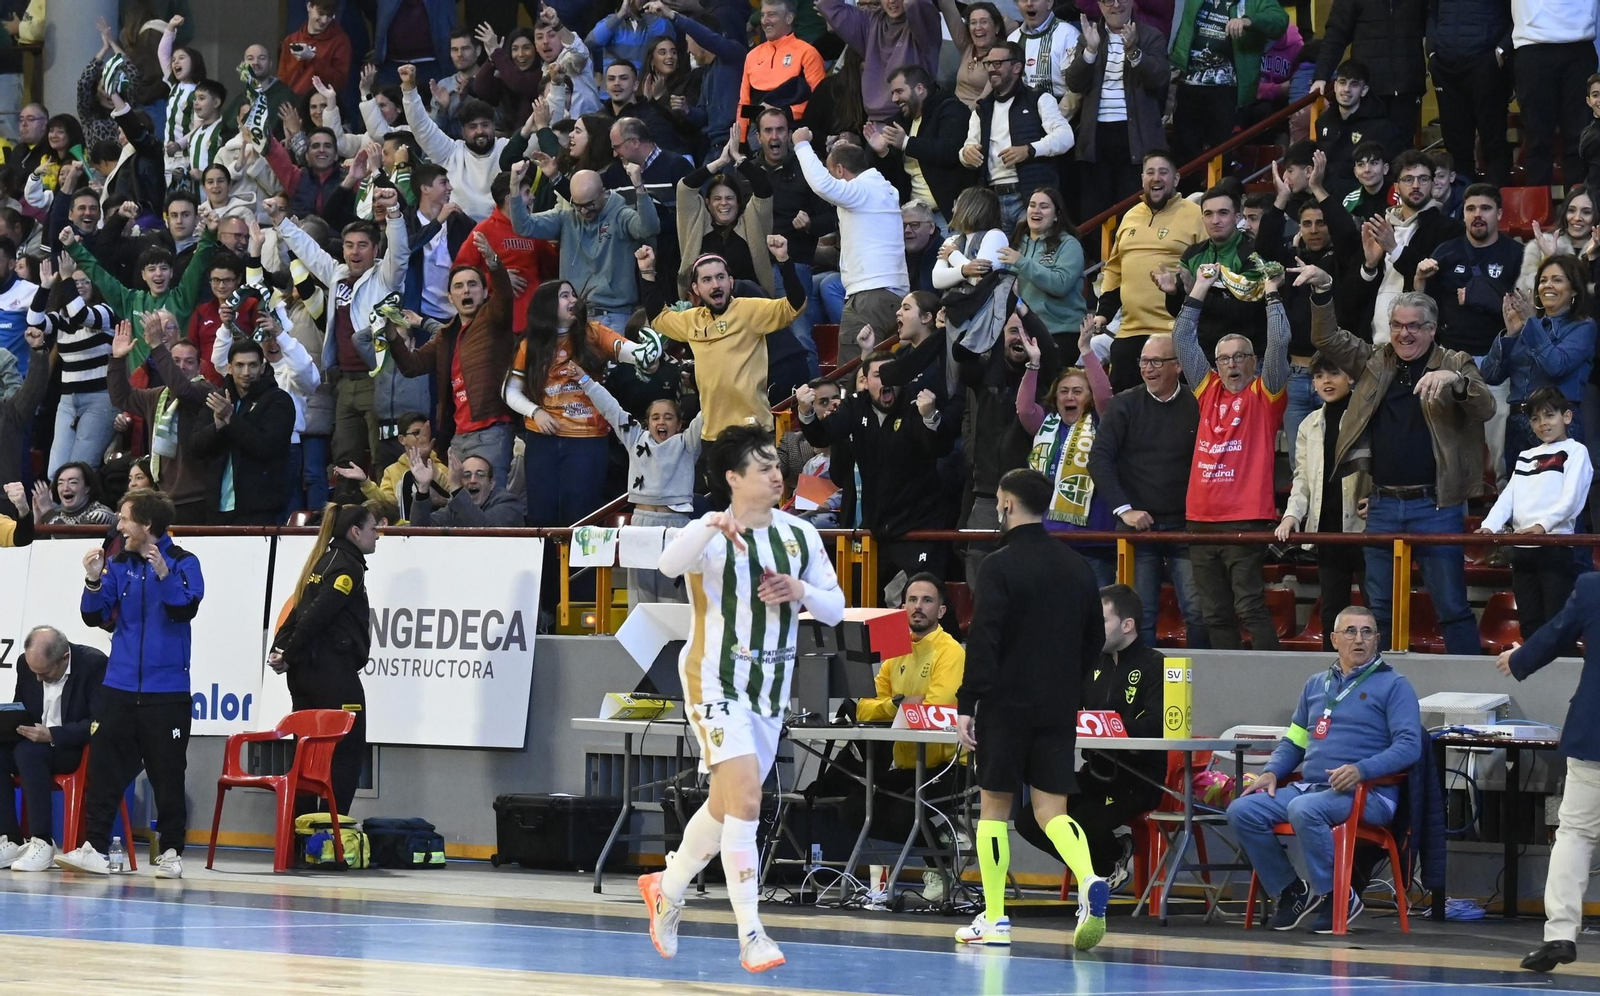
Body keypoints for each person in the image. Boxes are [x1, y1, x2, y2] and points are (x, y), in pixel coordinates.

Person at [637, 424, 845, 974]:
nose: (777, 474)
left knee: (727, 804)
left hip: (771, 690)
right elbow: (665, 567)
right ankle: (751, 933)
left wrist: (799, 591)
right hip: (715, 680)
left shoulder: (800, 535)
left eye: (777, 465)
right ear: (733, 478)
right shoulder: (708, 533)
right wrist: (707, 522)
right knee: (748, 800)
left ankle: (668, 886)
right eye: (763, 467)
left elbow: (836, 609)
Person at [953, 467, 1109, 949]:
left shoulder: (998, 565)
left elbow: (985, 638)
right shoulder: (1077, 566)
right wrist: (1069, 687)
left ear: (1005, 504)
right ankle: (1087, 878)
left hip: (1005, 703)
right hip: (1058, 705)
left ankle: (996, 919)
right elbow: (1095, 639)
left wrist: (968, 701)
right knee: (1051, 809)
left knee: (995, 809)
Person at [1308, 275, 1493, 655]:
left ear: (1431, 329)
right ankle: (1379, 687)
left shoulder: (1455, 361)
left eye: (1412, 326)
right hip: (1383, 505)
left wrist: (1454, 380)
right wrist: (1324, 291)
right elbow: (1326, 339)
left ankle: (1475, 689)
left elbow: (1485, 405)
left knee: (1453, 608)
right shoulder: (1375, 361)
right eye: (1396, 325)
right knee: (1380, 610)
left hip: (1436, 506)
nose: (1403, 334)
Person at [1226, 604, 1422, 932]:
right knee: (1242, 810)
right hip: (1314, 788)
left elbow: (1409, 747)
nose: (1359, 639)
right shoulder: (1316, 684)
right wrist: (1273, 771)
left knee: (1305, 808)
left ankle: (1338, 895)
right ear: (1334, 639)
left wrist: (1361, 770)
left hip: (1368, 793)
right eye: (1350, 631)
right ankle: (1291, 890)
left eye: (1367, 632)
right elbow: (1295, 741)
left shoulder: (1395, 685)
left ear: (1377, 640)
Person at [59, 489, 203, 879]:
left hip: (167, 691)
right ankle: (96, 848)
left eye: (124, 519)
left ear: (146, 525)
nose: (118, 525)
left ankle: (171, 851)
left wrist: (164, 576)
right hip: (118, 686)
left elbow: (184, 608)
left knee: (167, 773)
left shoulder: (184, 562)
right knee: (104, 770)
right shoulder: (118, 563)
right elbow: (95, 616)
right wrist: (92, 581)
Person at [1014, 584, 1163, 888]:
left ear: (1128, 625)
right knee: (1030, 821)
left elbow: (1158, 726)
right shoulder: (1090, 665)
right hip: (1095, 774)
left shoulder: (1156, 665)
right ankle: (1106, 864)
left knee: (1080, 825)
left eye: (1101, 621)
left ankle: (1103, 865)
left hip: (1139, 780)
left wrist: (1111, 726)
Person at [1173, 263, 1289, 650]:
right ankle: (1228, 687)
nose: (1232, 364)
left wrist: (1272, 293)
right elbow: (1182, 339)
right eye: (1224, 358)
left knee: (1250, 605)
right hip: (1199, 518)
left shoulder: (1265, 392)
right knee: (1214, 613)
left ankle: (1272, 682)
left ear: (1253, 362)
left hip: (1246, 518)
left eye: (1240, 357)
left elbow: (1280, 344)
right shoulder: (1207, 390)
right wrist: (1201, 287)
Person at [1497, 571, 1600, 973]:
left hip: (1594, 737)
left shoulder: (1593, 587)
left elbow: (1556, 633)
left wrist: (1518, 658)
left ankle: (1560, 934)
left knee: (1575, 834)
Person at [269, 188, 409, 469]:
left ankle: (383, 512)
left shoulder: (387, 277)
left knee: (384, 457)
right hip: (344, 382)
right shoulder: (337, 274)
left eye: (362, 245)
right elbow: (310, 252)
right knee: (344, 459)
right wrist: (281, 222)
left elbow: (401, 251)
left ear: (376, 250)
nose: (354, 252)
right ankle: (346, 513)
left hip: (378, 380)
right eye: (348, 245)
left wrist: (393, 213)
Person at [504, 276, 660, 524]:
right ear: (546, 305)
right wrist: (536, 412)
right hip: (542, 439)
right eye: (565, 296)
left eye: (574, 295)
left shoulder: (593, 332)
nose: (573, 300)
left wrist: (645, 356)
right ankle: (548, 566)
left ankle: (580, 566)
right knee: (542, 515)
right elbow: (510, 392)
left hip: (588, 441)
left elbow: (627, 349)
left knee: (582, 517)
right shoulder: (529, 344)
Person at [797, 351, 955, 593]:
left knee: (927, 595)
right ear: (866, 381)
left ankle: (946, 631)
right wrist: (806, 411)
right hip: (877, 526)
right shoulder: (855, 405)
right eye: (878, 376)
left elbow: (941, 448)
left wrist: (931, 418)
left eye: (892, 374)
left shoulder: (916, 404)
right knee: (861, 596)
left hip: (919, 524)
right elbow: (823, 435)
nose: (885, 381)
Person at [1087, 332, 1206, 646]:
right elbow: (1098, 459)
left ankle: (1204, 683)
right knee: (1140, 614)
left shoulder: (1198, 403)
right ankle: (1141, 685)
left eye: (1156, 361)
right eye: (1143, 361)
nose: (1148, 368)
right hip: (1139, 531)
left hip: (1187, 525)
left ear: (1178, 366)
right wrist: (1125, 510)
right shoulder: (1124, 404)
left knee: (1197, 611)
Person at [268, 502, 379, 813]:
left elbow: (297, 612)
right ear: (356, 532)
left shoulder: (321, 562)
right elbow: (318, 615)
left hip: (304, 675)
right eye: (373, 529)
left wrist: (281, 650)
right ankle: (332, 835)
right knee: (347, 751)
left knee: (305, 751)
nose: (378, 536)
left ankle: (302, 835)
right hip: (333, 675)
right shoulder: (348, 567)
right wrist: (288, 652)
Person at [386, 235, 518, 487]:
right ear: (450, 297)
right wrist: (391, 334)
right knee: (461, 506)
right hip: (459, 435)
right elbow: (411, 366)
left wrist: (493, 261)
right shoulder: (445, 335)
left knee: (491, 499)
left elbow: (505, 296)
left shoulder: (493, 319)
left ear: (485, 292)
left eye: (472, 285)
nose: (466, 290)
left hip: (492, 430)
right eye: (458, 286)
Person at [576, 376, 704, 605]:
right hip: (640, 526)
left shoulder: (687, 444)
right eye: (655, 417)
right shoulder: (636, 438)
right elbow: (611, 408)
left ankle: (677, 642)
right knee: (640, 601)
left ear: (679, 424)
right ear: (647, 423)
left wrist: (716, 377)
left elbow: (710, 410)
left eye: (668, 417)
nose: (661, 422)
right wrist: (585, 380)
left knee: (673, 599)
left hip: (676, 526)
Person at [1478, 386, 1593, 639]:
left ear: (1567, 417)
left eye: (1549, 415)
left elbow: (1571, 500)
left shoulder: (1576, 452)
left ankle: (1561, 679)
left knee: (1557, 627)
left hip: (1555, 549)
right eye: (1535, 418)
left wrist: (1542, 526)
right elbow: (1507, 498)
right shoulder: (1525, 456)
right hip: (1522, 551)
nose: (1543, 424)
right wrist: (1489, 525)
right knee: (1529, 626)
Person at [1276, 352, 1368, 648]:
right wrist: (1292, 515)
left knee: (1376, 606)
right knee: (1332, 610)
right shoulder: (1308, 425)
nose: (1326, 381)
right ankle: (1334, 674)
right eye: (1319, 376)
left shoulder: (1368, 414)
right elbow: (1302, 478)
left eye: (1334, 374)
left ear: (1350, 377)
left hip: (1366, 528)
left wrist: (1377, 496)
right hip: (1327, 530)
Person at [1092, 151, 1205, 393]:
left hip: (1173, 331)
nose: (1156, 178)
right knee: (1123, 408)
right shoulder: (1129, 216)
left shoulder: (1195, 215)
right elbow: (1114, 269)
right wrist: (1104, 313)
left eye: (1163, 172)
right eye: (1150, 172)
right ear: (1142, 179)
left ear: (1176, 180)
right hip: (1129, 331)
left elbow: (1208, 267)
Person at [0, 627, 109, 874]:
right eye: (33, 672)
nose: (38, 679)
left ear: (65, 658)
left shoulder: (94, 664)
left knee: (28, 753)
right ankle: (11, 839)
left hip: (70, 748)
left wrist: (52, 734)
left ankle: (42, 841)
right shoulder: (26, 664)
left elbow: (98, 722)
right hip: (32, 743)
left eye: (45, 673)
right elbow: (24, 709)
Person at [509, 161, 661, 335]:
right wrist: (514, 186)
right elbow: (523, 227)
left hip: (614, 317)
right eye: (578, 205)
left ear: (603, 193)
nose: (584, 212)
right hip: (574, 316)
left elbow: (649, 228)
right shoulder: (566, 217)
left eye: (590, 204)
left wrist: (639, 188)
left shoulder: (621, 215)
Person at [1015, 321, 1115, 580]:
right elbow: (1024, 409)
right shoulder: (1046, 424)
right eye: (1064, 392)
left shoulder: (1102, 422)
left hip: (1093, 539)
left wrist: (1085, 349)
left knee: (1097, 610)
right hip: (1048, 538)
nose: (1069, 397)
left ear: (1089, 397)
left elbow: (1105, 396)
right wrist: (1033, 363)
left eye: (1078, 392)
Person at [792, 126, 908, 346]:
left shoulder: (862, 190)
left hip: (870, 295)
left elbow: (822, 186)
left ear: (839, 170)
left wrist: (801, 144)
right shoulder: (882, 189)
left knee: (853, 375)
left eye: (830, 172)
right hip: (889, 292)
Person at [1064, 1, 1170, 225]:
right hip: (1096, 137)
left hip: (1136, 137)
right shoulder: (1090, 35)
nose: (1115, 5)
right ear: (1099, 5)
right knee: (1094, 212)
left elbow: (1159, 79)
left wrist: (1134, 53)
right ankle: (1098, 259)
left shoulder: (1151, 36)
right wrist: (1090, 51)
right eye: (1107, 0)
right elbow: (1074, 82)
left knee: (1132, 210)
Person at [104, 321, 215, 525]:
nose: (181, 367)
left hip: (197, 499)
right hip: (163, 498)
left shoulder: (205, 391)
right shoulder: (157, 396)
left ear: (200, 367)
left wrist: (157, 347)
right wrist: (118, 359)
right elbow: (122, 398)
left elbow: (183, 390)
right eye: (175, 361)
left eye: (189, 362)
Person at [956, 41, 1076, 230]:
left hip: (1029, 197)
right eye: (988, 64)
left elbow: (1065, 137)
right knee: (997, 258)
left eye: (997, 64)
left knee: (1030, 253)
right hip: (992, 200)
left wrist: (1029, 150)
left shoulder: (1039, 99)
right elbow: (967, 148)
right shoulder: (981, 109)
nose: (991, 70)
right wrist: (966, 154)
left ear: (1017, 67)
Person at [1356, 151, 1464, 344]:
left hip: (1417, 342)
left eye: (1423, 179)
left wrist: (1394, 250)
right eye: (1408, 179)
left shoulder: (1449, 229)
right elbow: (1353, 299)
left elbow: (1434, 278)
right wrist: (1369, 267)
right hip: (1372, 343)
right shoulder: (1380, 226)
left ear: (1432, 183)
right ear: (1396, 186)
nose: (1416, 185)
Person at [1167, 0, 1289, 167]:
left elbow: (1280, 20)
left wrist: (1248, 21)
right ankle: (1187, 192)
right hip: (1188, 83)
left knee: (1223, 153)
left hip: (1226, 89)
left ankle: (1221, 192)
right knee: (1184, 155)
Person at [190, 338, 295, 525]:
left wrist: (231, 419)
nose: (246, 372)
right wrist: (217, 427)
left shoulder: (279, 401)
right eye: (240, 365)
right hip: (216, 507)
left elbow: (267, 446)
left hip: (261, 509)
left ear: (262, 368)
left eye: (252, 365)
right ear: (229, 368)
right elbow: (195, 448)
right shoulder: (218, 400)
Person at [1158, 185, 1269, 358]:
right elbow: (1176, 310)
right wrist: (1173, 293)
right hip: (1201, 357)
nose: (1215, 220)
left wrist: (1197, 292)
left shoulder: (1253, 255)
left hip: (1244, 358)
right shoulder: (1192, 254)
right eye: (1208, 214)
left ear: (1237, 217)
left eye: (1223, 213)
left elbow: (1243, 312)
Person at [864, 64, 976, 224]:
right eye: (893, 93)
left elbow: (950, 151)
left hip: (950, 216)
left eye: (899, 91)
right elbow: (892, 179)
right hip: (914, 217)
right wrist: (883, 153)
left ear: (919, 89)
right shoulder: (900, 122)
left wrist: (906, 143)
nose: (894, 99)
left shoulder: (950, 109)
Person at [399, 64, 508, 222]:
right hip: (457, 231)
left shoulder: (506, 148)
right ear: (463, 131)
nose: (480, 131)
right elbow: (421, 126)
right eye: (473, 127)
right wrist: (409, 90)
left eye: (485, 125)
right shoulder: (450, 151)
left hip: (500, 229)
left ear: (493, 126)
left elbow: (534, 137)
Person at [1510, 0, 1597, 187]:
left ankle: (1582, 208)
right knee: (1537, 139)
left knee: (1580, 138)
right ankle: (1536, 211)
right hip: (1532, 45)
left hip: (1580, 45)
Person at [1428, 0, 1513, 187]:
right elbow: (1432, 13)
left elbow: (1517, 15)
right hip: (1445, 66)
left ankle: (1495, 204)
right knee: (1455, 146)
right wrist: (1432, 52)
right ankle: (1460, 208)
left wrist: (1501, 51)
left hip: (1486, 63)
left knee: (1493, 142)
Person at [1312, 0, 1426, 137]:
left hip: (1407, 88)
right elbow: (1336, 34)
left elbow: (1432, 22)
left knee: (1402, 150)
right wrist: (1321, 75)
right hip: (1368, 90)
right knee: (1366, 150)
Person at [818, 0, 942, 124]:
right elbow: (826, 4)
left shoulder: (924, 23)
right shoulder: (870, 22)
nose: (892, 1)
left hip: (914, 120)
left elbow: (913, 3)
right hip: (874, 126)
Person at [999, 188, 1086, 353]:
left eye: (1044, 206)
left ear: (1056, 215)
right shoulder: (1017, 243)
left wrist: (1022, 262)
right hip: (1022, 333)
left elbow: (1060, 284)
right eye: (1032, 205)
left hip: (1060, 331)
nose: (1036, 210)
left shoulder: (1069, 245)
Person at [1314, 60, 1405, 201]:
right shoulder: (1323, 122)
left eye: (1354, 84)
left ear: (1364, 90)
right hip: (1325, 197)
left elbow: (1390, 173)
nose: (1346, 89)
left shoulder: (1382, 128)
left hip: (1362, 202)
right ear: (1336, 85)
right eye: (1342, 82)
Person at [738, 0, 827, 139]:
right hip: (757, 136)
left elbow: (820, 101)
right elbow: (744, 104)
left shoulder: (807, 53)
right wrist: (741, 142)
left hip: (795, 134)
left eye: (771, 15)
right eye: (762, 15)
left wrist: (784, 112)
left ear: (789, 18)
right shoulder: (751, 56)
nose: (765, 21)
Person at [408, 452, 524, 526]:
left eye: (480, 474)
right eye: (466, 475)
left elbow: (484, 531)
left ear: (492, 483)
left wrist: (456, 487)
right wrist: (423, 488)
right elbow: (421, 531)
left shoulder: (509, 504)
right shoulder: (455, 509)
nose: (473, 480)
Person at [279, 0, 354, 98]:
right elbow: (282, 79)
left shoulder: (340, 41)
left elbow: (339, 82)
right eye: (321, 13)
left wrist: (312, 58)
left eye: (330, 15)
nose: (324, 20)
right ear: (309, 6)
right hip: (292, 103)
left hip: (322, 104)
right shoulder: (291, 40)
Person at [32, 462, 116, 526]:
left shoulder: (101, 514)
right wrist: (38, 520)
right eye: (60, 483)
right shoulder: (58, 516)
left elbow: (71, 541)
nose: (65, 488)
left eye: (73, 482)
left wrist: (47, 511)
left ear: (87, 488)